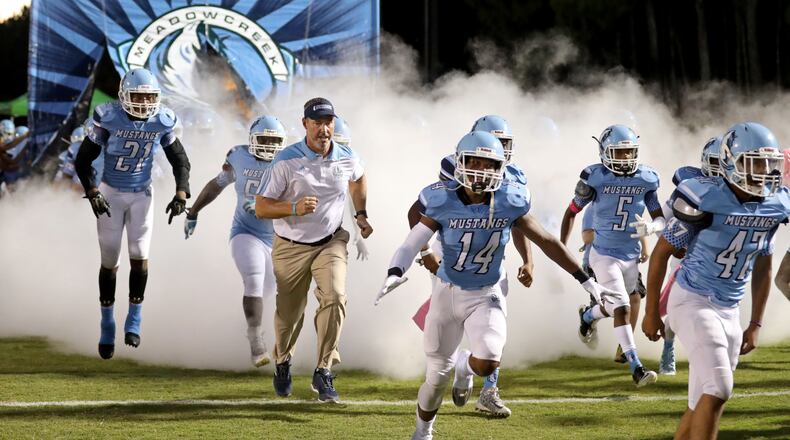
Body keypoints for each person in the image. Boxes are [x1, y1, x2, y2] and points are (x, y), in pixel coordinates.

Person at [376, 130, 615, 440]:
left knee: (488, 361)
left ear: (500, 167)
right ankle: (423, 432)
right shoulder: (441, 198)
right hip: (447, 294)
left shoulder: (509, 199)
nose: (480, 169)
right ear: (460, 162)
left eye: (488, 163)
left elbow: (546, 240)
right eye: (474, 161)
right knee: (435, 380)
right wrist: (396, 269)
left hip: (486, 293)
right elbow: (412, 243)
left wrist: (585, 280)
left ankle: (465, 366)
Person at [643, 122, 789, 439]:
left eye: (768, 163)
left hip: (729, 310)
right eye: (754, 163)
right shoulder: (705, 198)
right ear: (730, 163)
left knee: (703, 403)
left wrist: (756, 323)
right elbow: (660, 254)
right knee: (719, 386)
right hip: (693, 299)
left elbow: (763, 266)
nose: (764, 171)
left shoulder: (774, 205)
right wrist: (651, 310)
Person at [407, 115, 533, 418]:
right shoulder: (454, 166)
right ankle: (443, 372)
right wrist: (424, 251)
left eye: (503, 145)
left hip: (492, 259)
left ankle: (488, 389)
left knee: (494, 327)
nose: (495, 155)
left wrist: (528, 258)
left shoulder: (514, 177)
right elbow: (423, 211)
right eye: (492, 144)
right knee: (446, 321)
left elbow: (520, 223)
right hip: (452, 252)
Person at [256, 97, 372, 403]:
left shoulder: (347, 156)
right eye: (317, 122)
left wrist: (360, 215)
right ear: (304, 124)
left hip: (331, 241)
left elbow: (358, 179)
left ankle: (323, 371)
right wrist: (293, 206)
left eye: (329, 121)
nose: (324, 128)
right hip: (290, 246)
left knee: (335, 297)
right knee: (289, 316)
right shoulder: (285, 160)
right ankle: (283, 361)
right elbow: (261, 207)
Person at [74, 67, 191, 360]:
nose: (143, 102)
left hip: (142, 195)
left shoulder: (161, 120)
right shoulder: (108, 117)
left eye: (149, 96)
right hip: (110, 193)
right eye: (137, 95)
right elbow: (83, 160)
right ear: (124, 94)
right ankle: (107, 323)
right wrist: (92, 192)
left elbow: (179, 160)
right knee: (110, 262)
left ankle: (134, 320)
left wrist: (181, 192)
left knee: (139, 258)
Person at [559, 124, 662, 387]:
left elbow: (661, 219)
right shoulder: (595, 178)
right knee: (624, 307)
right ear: (605, 152)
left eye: (629, 153)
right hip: (603, 254)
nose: (626, 159)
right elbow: (572, 211)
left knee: (613, 308)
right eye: (620, 153)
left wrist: (650, 228)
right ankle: (636, 368)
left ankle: (588, 316)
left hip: (630, 255)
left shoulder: (646, 179)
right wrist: (561, 245)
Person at [184, 116, 287, 367]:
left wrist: (268, 207)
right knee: (254, 277)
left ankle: (256, 329)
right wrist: (194, 210)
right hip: (246, 232)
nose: (268, 146)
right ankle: (255, 337)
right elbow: (216, 184)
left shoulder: (289, 162)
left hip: (278, 237)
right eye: (263, 140)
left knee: (272, 290)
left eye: (274, 141)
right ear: (252, 140)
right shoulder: (239, 157)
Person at [654, 136, 722, 376]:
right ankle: (669, 347)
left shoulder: (737, 192)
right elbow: (663, 216)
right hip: (685, 257)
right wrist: (661, 233)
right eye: (717, 161)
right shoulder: (691, 185)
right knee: (675, 306)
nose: (721, 167)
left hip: (717, 260)